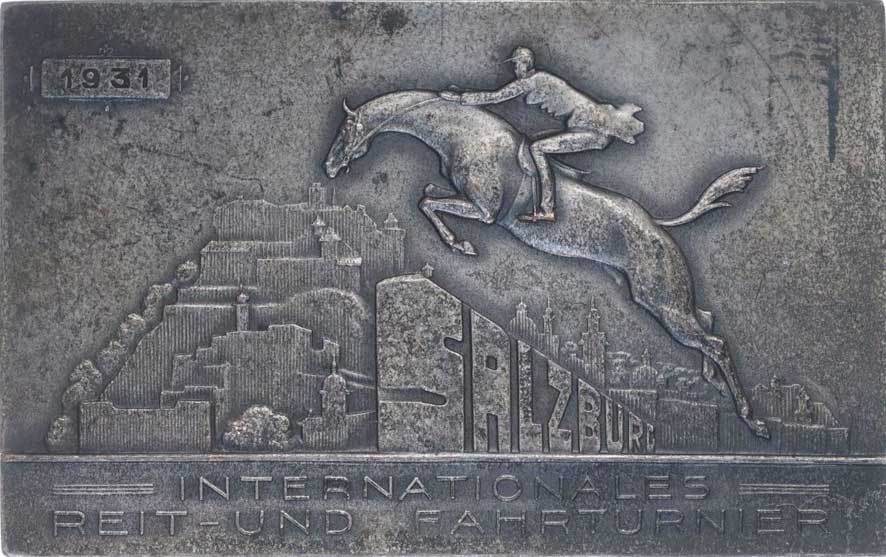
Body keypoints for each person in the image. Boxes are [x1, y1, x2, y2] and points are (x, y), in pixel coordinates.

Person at [440, 47, 644, 222]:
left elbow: (496, 97)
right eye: (515, 65)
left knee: (537, 148)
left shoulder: (532, 81)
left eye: (518, 64)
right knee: (538, 144)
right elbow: (499, 99)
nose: (516, 69)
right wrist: (464, 93)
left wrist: (459, 99)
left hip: (592, 132)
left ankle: (547, 208)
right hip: (586, 126)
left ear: (526, 63)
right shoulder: (540, 78)